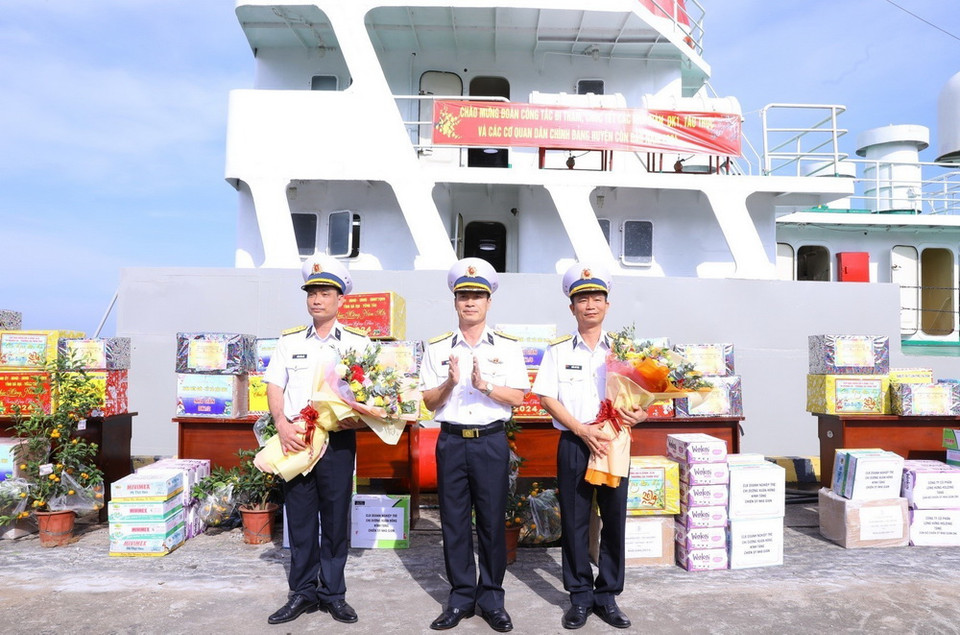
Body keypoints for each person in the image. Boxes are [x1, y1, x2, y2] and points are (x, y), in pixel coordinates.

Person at [532, 262, 648, 630]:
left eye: (597, 297)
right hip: (575, 443)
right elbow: (547, 398)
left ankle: (608, 595)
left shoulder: (626, 351)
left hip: (615, 443)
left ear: (607, 305)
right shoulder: (558, 351)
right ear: (572, 308)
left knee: (614, 521)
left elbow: (644, 398)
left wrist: (640, 415)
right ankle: (580, 595)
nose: (590, 304)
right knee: (576, 521)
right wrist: (581, 430)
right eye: (582, 299)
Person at [419, 258, 529, 633]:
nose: (470, 302)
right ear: (455, 302)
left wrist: (485, 386)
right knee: (452, 522)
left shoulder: (507, 347)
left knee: (492, 522)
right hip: (451, 441)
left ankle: (492, 598)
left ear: (488, 302)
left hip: (490, 442)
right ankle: (461, 597)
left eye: (477, 296)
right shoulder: (436, 348)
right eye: (463, 295)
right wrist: (450, 383)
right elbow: (429, 403)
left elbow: (518, 396)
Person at [263, 255, 371, 626]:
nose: (316, 299)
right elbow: (274, 385)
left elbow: (368, 398)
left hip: (337, 443)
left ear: (341, 299)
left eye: (325, 292)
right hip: (296, 439)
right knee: (301, 518)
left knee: (336, 519)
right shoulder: (289, 341)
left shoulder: (358, 344)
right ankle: (303, 592)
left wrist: (356, 419)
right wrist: (280, 423)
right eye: (311, 291)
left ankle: (333, 593)